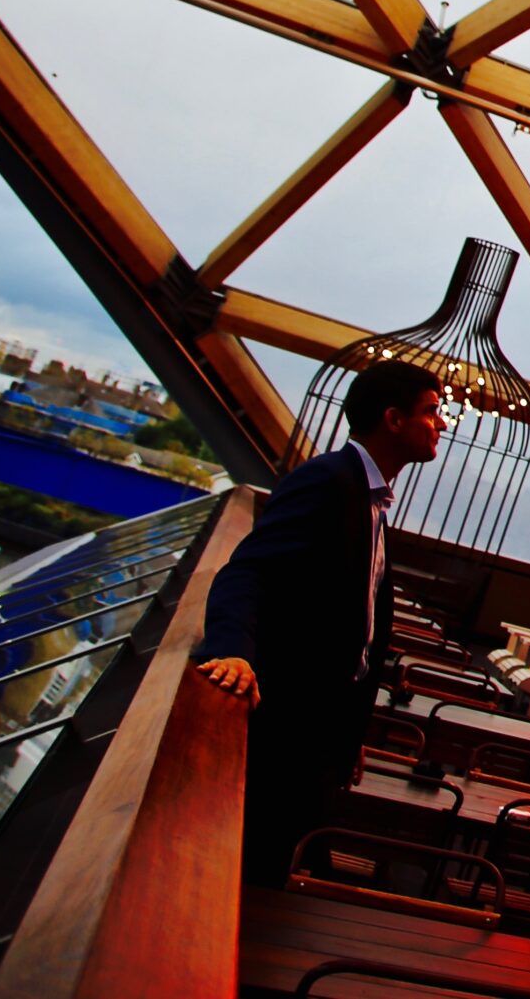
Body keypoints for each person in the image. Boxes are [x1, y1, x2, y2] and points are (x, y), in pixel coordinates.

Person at [193, 359, 446, 881]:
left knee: (287, 863)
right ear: (393, 419)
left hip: (321, 732)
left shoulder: (367, 497)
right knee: (263, 866)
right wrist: (233, 650)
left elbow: (359, 628)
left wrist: (347, 738)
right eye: (432, 412)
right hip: (288, 727)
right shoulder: (327, 481)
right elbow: (248, 571)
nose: (442, 425)